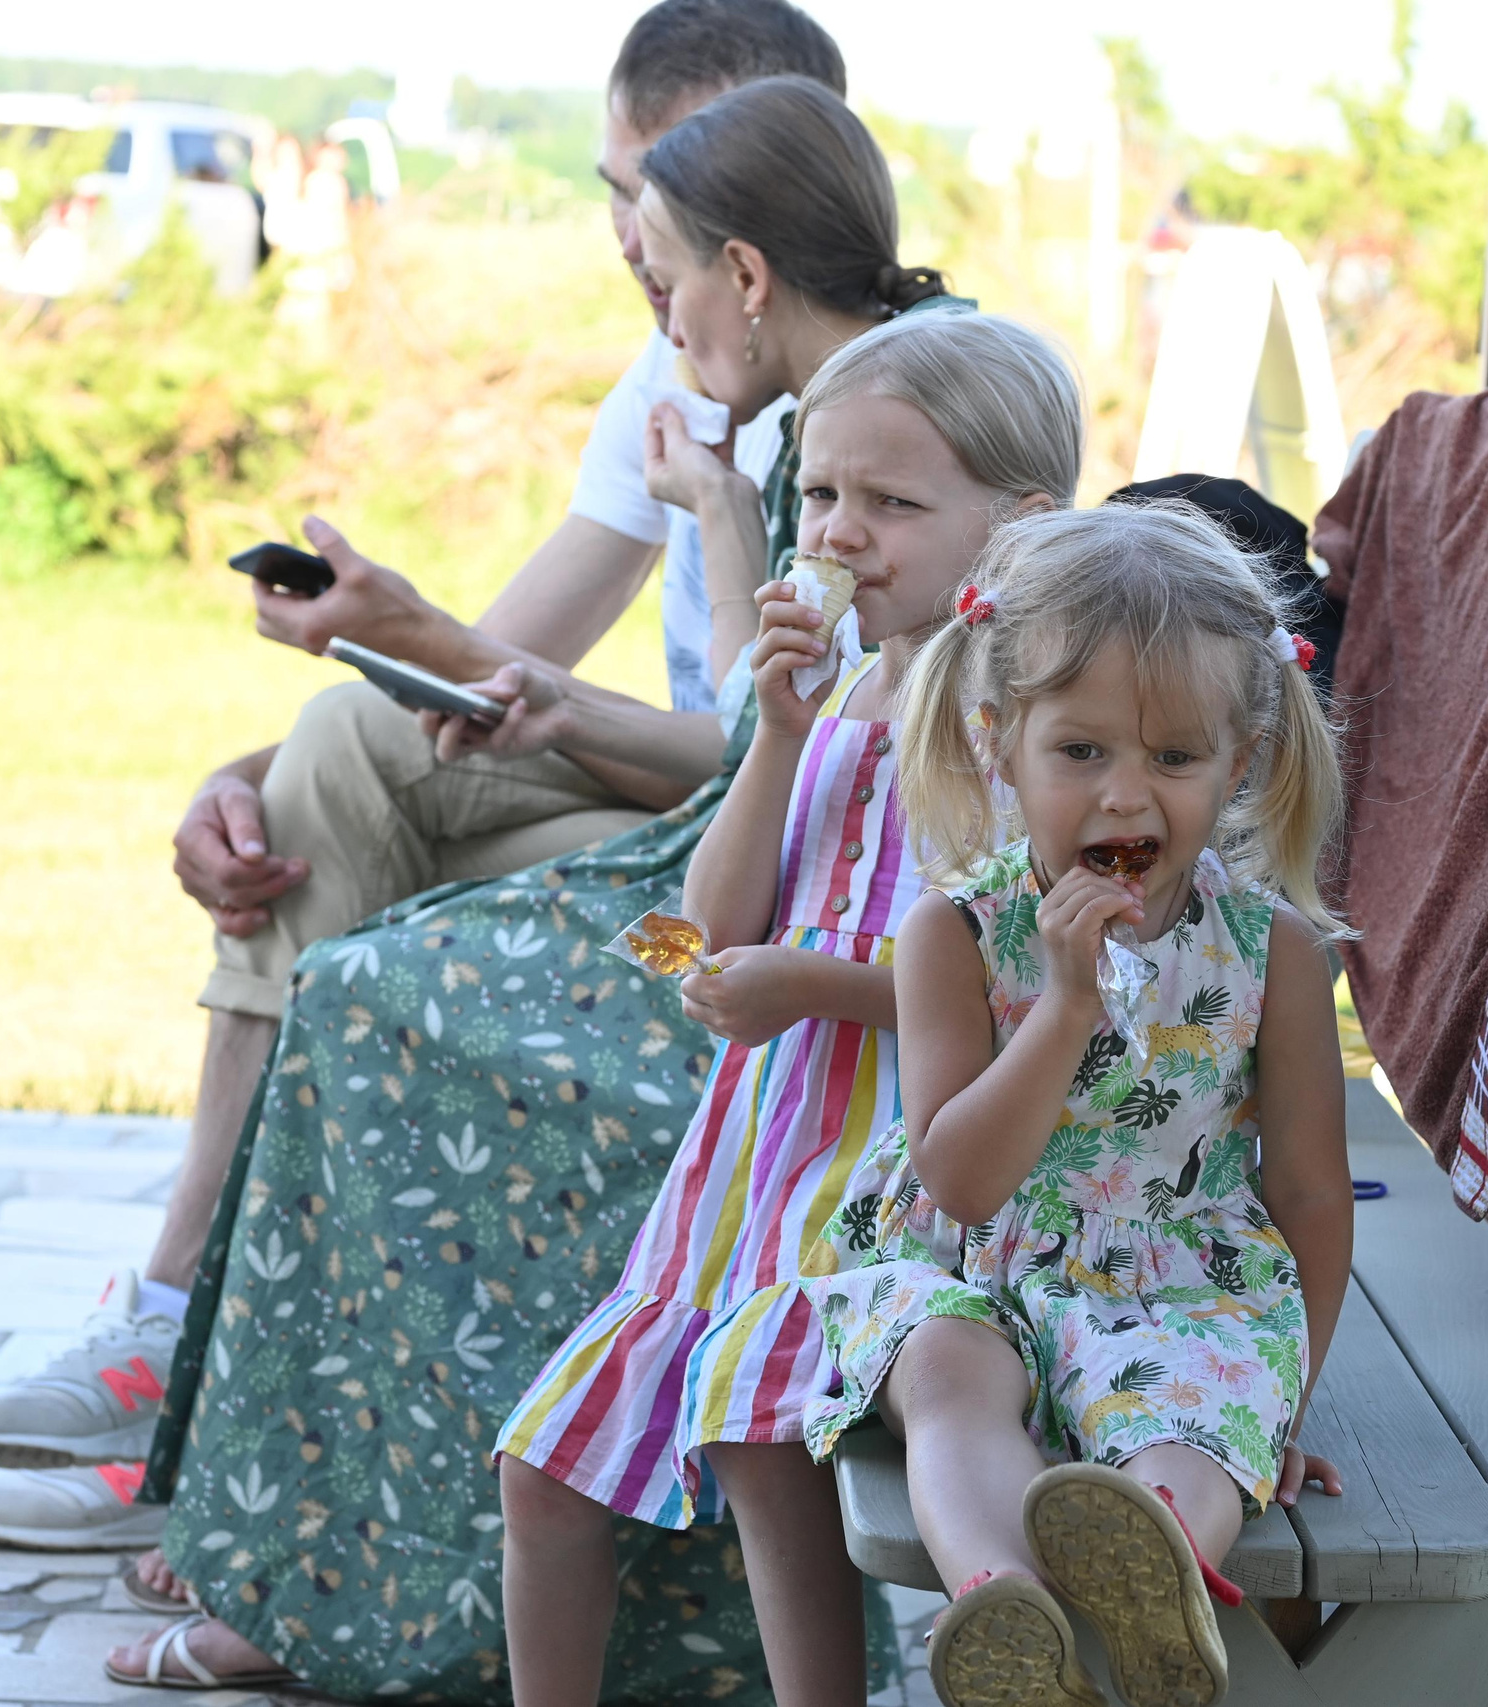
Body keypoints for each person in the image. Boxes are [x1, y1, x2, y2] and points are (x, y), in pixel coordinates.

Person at [0, 0, 846, 1554]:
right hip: (690, 840)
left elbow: (796, 760)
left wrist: (420, 641)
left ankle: (200, 1400)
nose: (633, 240)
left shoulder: (872, 409)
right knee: (333, 770)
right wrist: (248, 775)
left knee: (369, 961)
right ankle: (175, 1344)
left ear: (769, 218)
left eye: (664, 205)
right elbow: (490, 669)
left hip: (746, 924)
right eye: (619, 188)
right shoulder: (676, 370)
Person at [100, 72, 966, 1696]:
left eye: (662, 257)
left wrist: (716, 516)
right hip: (752, 877)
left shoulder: (888, 427)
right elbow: (757, 754)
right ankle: (285, 1540)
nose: (650, 293)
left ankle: (332, 1579)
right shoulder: (808, 405)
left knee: (374, 1009)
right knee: (362, 849)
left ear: (749, 274)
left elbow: (796, 781)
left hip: (813, 934)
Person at [494, 313, 1083, 1707]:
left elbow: (1018, 993)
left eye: (893, 501)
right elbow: (721, 909)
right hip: (757, 1162)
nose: (843, 530)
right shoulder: (846, 686)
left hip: (898, 1162)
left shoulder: (1023, 723)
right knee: (543, 1472)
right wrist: (774, 732)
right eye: (821, 494)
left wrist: (808, 984)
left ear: (1021, 526)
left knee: (768, 1428)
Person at [773, 503, 1355, 1707]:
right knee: (944, 1374)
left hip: (1179, 1277)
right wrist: (1066, 1007)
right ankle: (1006, 1616)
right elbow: (961, 1180)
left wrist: (1279, 1400)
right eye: (1081, 753)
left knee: (1188, 1420)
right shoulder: (951, 934)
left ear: (1237, 764)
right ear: (1000, 746)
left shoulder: (1272, 954)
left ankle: (1160, 1577)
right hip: (972, 1260)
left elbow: (1306, 1183)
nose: (1125, 800)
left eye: (1174, 759)